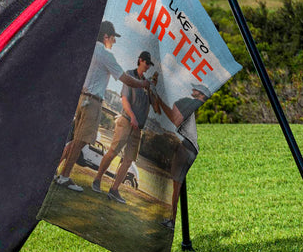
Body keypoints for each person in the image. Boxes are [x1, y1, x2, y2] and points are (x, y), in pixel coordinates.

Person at [55, 20, 152, 192]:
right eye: (113, 38)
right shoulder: (105, 54)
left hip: (82, 98)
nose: (114, 41)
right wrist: (142, 85)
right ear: (106, 36)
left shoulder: (90, 49)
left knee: (75, 139)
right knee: (80, 141)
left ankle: (58, 173)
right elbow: (125, 79)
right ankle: (64, 176)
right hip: (92, 102)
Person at [92, 50, 157, 203]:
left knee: (128, 161)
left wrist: (152, 88)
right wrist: (133, 117)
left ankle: (114, 190)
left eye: (150, 65)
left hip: (138, 128)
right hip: (126, 121)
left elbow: (154, 106)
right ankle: (97, 179)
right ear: (140, 60)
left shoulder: (147, 84)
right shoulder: (129, 75)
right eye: (146, 63)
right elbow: (124, 100)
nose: (148, 67)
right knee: (113, 151)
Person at [154, 83, 210, 228]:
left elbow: (175, 119)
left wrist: (159, 100)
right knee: (177, 186)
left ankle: (172, 221)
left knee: (176, 187)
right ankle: (172, 220)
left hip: (186, 148)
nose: (193, 90)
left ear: (202, 95)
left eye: (196, 90)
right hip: (192, 149)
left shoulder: (190, 103)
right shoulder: (199, 106)